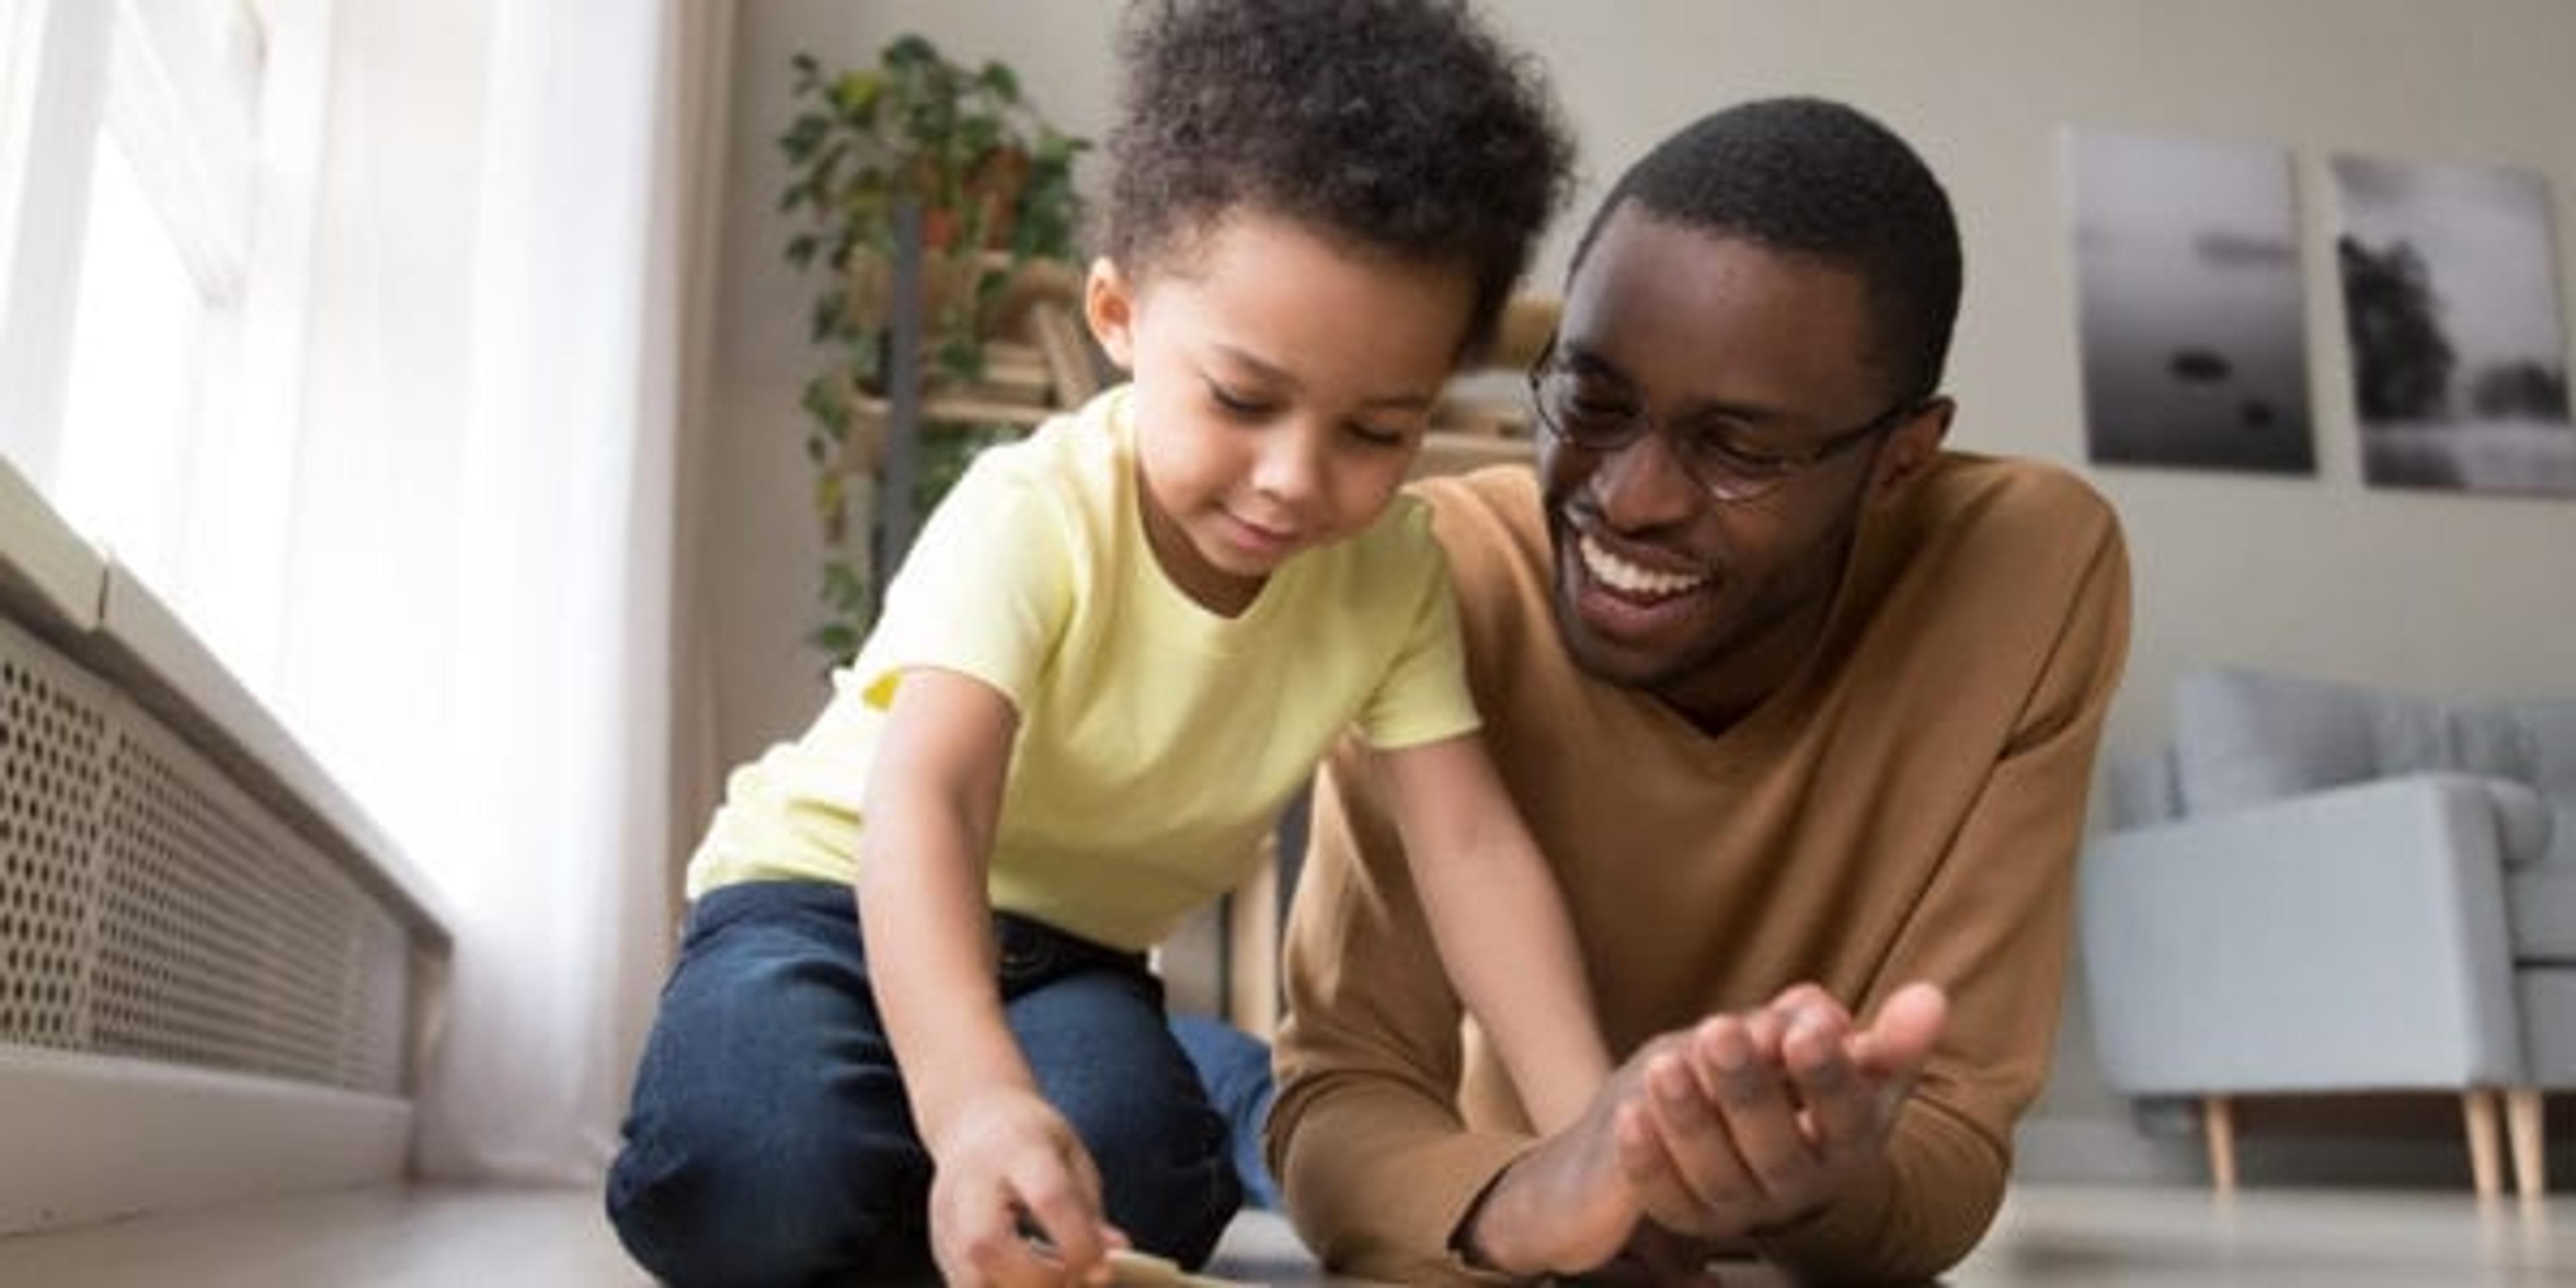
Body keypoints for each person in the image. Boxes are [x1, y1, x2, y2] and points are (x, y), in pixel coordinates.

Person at [604, 2, 1601, 1284]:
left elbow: (1470, 848)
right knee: (757, 1181)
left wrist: (1593, 1125)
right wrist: (972, 1106)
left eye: (1377, 432)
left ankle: (1088, 1105)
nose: (1296, 480)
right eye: (1243, 400)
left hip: (1070, 958)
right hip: (832, 902)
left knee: (1135, 1177)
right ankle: (942, 1121)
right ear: (1120, 316)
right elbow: (935, 801)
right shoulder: (1034, 512)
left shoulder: (1392, 574)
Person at [1263, 97, 2133, 1283]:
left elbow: (1952, 1144)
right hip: (1509, 1173)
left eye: (1738, 450)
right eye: (1593, 401)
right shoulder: (1440, 574)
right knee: (1165, 1109)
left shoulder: (2028, 571)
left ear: (1900, 463)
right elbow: (1340, 1097)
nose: (1628, 497)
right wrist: (1533, 1200)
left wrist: (1828, 1188)